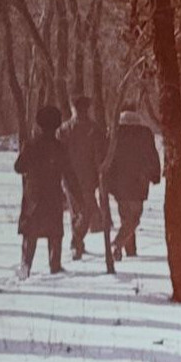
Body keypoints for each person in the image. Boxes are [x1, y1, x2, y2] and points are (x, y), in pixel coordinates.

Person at [15, 105, 78, 278]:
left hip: (33, 193)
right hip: (53, 194)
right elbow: (69, 173)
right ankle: (55, 265)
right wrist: (76, 195)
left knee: (30, 232)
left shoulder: (31, 144)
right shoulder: (60, 147)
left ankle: (26, 265)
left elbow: (18, 167)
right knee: (54, 231)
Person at [104, 106, 160, 260]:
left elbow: (108, 157)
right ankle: (118, 244)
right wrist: (155, 175)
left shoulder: (115, 132)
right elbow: (152, 155)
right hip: (139, 182)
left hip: (119, 183)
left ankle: (129, 250)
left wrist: (107, 180)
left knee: (125, 216)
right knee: (134, 217)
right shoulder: (145, 133)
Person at [57, 96, 106, 260]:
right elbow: (99, 155)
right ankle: (76, 242)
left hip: (74, 178)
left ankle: (77, 243)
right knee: (83, 212)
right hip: (84, 178)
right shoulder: (91, 129)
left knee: (78, 211)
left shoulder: (67, 129)